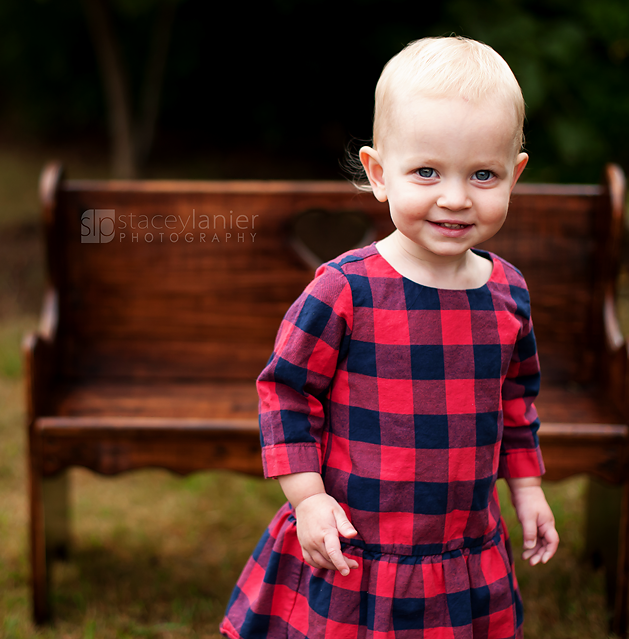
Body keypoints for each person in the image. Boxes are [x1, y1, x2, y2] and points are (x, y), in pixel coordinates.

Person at [221, 35, 559, 639]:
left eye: (483, 175)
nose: (454, 198)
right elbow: (287, 393)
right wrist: (306, 499)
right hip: (358, 542)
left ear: (516, 174)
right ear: (379, 174)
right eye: (426, 171)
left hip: (461, 544)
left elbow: (515, 402)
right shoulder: (346, 289)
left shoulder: (507, 293)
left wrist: (527, 488)